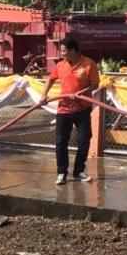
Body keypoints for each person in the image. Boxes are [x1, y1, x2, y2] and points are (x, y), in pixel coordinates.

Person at [38, 37, 101, 185]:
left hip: (82, 109)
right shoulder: (61, 65)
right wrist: (43, 95)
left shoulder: (89, 64)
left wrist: (82, 92)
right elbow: (51, 79)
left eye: (63, 51)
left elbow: (95, 84)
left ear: (73, 51)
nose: (61, 54)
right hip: (64, 109)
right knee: (61, 142)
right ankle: (61, 173)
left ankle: (78, 171)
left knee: (84, 139)